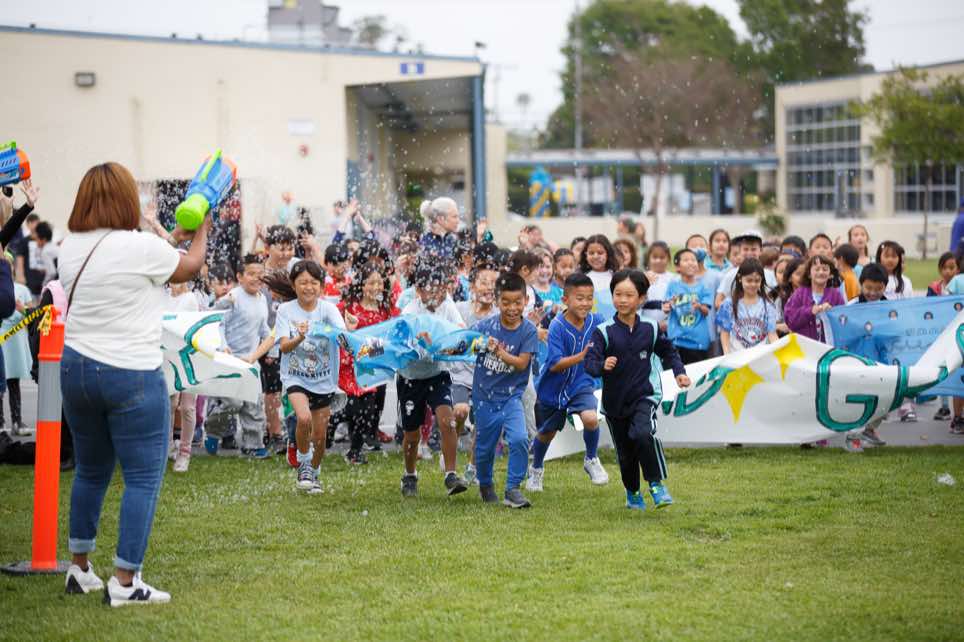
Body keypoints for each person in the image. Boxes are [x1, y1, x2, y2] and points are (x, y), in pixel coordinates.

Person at [59, 161, 208, 606]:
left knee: (90, 470)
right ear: (125, 200)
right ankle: (125, 582)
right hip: (130, 373)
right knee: (142, 477)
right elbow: (190, 267)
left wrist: (172, 239)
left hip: (76, 369)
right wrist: (202, 228)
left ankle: (79, 568)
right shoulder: (139, 246)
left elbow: (142, 258)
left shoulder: (70, 245)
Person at [585, 269, 690, 510]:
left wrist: (679, 372)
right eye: (618, 294)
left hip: (645, 395)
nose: (622, 300)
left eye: (629, 295)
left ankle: (656, 484)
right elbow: (589, 363)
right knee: (625, 453)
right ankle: (632, 493)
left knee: (642, 434)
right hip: (614, 403)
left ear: (641, 298)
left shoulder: (651, 328)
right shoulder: (604, 331)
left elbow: (668, 351)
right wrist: (602, 365)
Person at [262, 261, 345, 492]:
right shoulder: (286, 310)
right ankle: (304, 462)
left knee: (320, 436)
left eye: (313, 282)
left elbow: (342, 337)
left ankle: (314, 473)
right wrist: (299, 337)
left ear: (321, 286)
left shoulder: (328, 310)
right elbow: (284, 346)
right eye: (303, 282)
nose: (308, 287)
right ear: (294, 285)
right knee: (304, 418)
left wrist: (350, 328)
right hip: (295, 376)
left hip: (324, 377)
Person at [527, 273, 609, 492]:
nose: (585, 303)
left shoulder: (597, 321)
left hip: (582, 384)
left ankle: (591, 459)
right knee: (547, 433)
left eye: (589, 298)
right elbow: (555, 364)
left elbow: (610, 340)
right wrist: (582, 356)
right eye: (579, 298)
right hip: (553, 388)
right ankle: (536, 469)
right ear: (565, 300)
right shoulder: (557, 326)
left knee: (590, 418)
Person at [397, 260, 469, 498]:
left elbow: (460, 331)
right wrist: (426, 345)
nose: (438, 294)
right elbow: (406, 348)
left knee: (448, 421)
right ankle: (410, 474)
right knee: (412, 434)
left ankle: (451, 474)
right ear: (418, 290)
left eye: (441, 289)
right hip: (411, 378)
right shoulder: (410, 313)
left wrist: (454, 342)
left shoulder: (447, 305)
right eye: (431, 290)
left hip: (438, 374)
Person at [471, 272, 539, 508]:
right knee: (485, 447)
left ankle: (513, 489)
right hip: (484, 397)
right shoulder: (485, 327)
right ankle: (485, 484)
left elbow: (521, 363)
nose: (512, 308)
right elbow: (466, 347)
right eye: (506, 302)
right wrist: (477, 345)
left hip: (511, 397)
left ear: (526, 301)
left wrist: (498, 351)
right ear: (497, 300)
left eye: (517, 302)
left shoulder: (528, 331)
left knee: (519, 438)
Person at [204, 254, 270, 458]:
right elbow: (216, 321)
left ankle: (253, 444)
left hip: (250, 359)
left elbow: (263, 328)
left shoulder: (261, 298)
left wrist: (272, 349)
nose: (256, 278)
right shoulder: (233, 297)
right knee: (233, 403)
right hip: (228, 359)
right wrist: (223, 346)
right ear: (240, 277)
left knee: (253, 404)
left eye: (260, 274)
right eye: (251, 274)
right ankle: (212, 429)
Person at [337, 263, 399, 464]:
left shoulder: (385, 309)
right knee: (357, 408)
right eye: (371, 283)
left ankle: (358, 447)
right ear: (361, 285)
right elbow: (338, 332)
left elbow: (391, 335)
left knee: (371, 407)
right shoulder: (348, 307)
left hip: (375, 366)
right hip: (353, 366)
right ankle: (347, 439)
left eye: (379, 283)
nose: (376, 287)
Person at [845, 263, 889, 446]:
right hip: (857, 362)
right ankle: (853, 436)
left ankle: (869, 430)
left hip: (881, 363)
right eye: (869, 288)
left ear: (885, 287)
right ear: (861, 284)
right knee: (860, 400)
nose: (873, 293)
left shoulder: (890, 307)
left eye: (878, 289)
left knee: (885, 400)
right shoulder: (852, 306)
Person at [165, 278, 199, 473]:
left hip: (188, 357)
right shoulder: (163, 296)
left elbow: (191, 328)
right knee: (169, 403)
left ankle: (184, 453)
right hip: (168, 356)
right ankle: (169, 446)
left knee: (187, 407)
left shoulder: (190, 298)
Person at [0, 252, 32, 435]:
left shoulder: (22, 289)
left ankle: (17, 421)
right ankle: (1, 422)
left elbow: (33, 317)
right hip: (2, 338)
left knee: (14, 382)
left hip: (16, 342)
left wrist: (23, 309)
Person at [716, 259, 779, 354]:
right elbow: (725, 332)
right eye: (749, 280)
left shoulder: (768, 305)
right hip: (737, 357)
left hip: (760, 356)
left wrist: (779, 350)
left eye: (757, 281)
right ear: (740, 278)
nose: (753, 284)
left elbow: (772, 334)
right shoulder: (728, 304)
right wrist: (726, 353)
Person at [664, 249, 713, 364]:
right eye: (686, 260)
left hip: (698, 343)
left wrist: (699, 306)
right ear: (678, 267)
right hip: (677, 340)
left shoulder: (704, 287)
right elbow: (667, 308)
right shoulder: (672, 286)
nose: (690, 262)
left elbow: (706, 311)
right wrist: (668, 306)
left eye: (693, 260)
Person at [784, 255, 845, 343]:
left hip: (829, 346)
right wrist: (810, 311)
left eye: (825, 269)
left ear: (831, 275)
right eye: (817, 269)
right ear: (809, 274)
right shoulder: (799, 294)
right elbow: (790, 320)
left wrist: (832, 313)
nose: (821, 272)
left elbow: (843, 321)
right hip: (804, 346)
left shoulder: (836, 295)